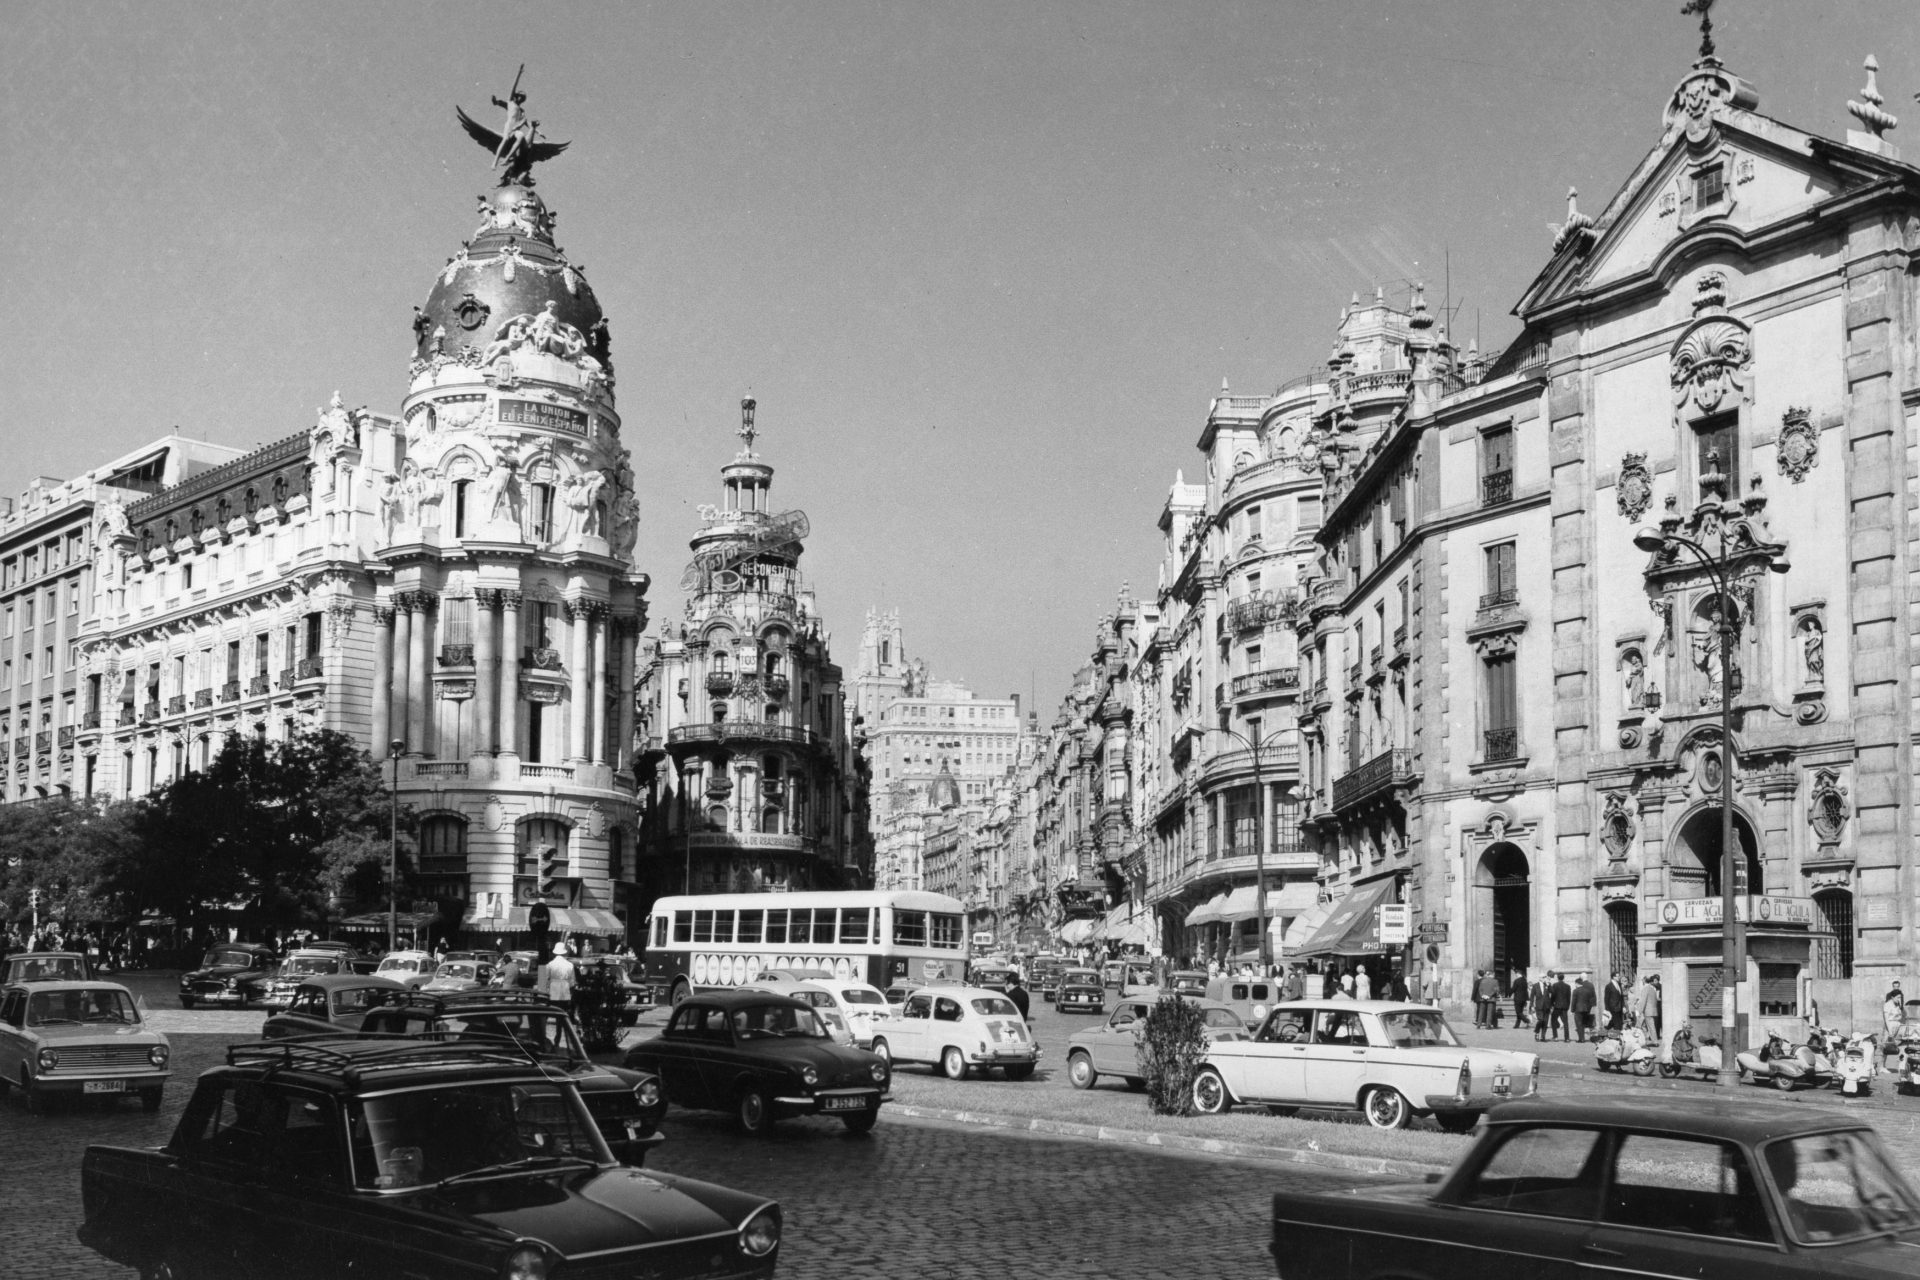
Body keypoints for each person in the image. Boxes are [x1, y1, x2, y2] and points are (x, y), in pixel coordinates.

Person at [544, 941, 576, 1013]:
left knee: (554, 1010)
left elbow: (545, 980)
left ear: (554, 953)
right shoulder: (570, 965)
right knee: (563, 1012)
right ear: (565, 952)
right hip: (565, 990)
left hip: (553, 990)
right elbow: (572, 982)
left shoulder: (550, 964)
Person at [1571, 973, 1598, 1041]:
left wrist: (1572, 1010)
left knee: (1579, 1024)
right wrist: (1592, 1006)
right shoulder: (1590, 985)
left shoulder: (1575, 990)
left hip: (1578, 1009)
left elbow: (1573, 1001)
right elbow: (1593, 997)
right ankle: (1592, 1037)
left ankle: (1581, 1038)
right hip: (1587, 1008)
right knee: (1589, 1023)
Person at [1548, 972, 1573, 1041]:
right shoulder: (1568, 986)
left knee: (1553, 1020)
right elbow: (1569, 997)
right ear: (1563, 978)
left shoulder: (1555, 985)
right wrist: (1567, 1006)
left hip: (1557, 1006)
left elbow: (1553, 996)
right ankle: (1567, 1038)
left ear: (1557, 978)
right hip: (1564, 1006)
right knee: (1565, 1022)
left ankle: (1555, 1036)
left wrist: (1551, 1004)